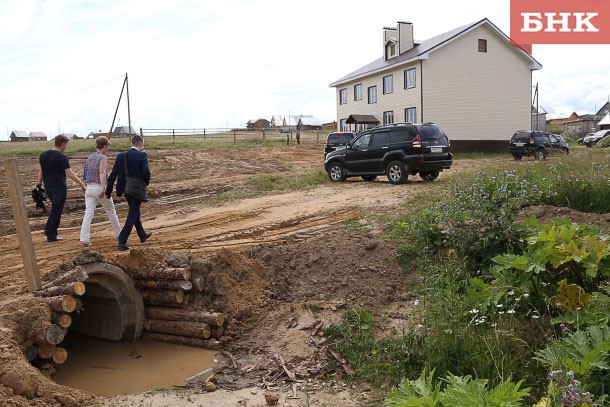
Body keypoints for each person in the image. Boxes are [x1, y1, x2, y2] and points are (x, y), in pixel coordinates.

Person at [105, 135, 152, 251]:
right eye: (142, 145)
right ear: (138, 143)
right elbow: (146, 172)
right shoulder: (142, 155)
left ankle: (142, 235)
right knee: (132, 214)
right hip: (136, 189)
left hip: (125, 189)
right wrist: (145, 183)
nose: (142, 147)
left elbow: (113, 174)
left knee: (134, 211)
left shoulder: (121, 156)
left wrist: (108, 190)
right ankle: (122, 240)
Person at [37, 134, 86, 242]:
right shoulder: (62, 156)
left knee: (55, 208)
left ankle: (50, 230)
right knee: (57, 210)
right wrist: (81, 184)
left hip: (48, 186)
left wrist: (39, 185)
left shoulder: (43, 155)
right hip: (59, 187)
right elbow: (70, 174)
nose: (66, 147)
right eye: (66, 144)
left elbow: (41, 171)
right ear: (63, 144)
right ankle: (51, 233)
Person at [79, 136, 121, 247]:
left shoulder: (90, 157)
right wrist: (104, 188)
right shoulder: (103, 157)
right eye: (107, 147)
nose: (108, 149)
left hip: (89, 188)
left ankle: (84, 238)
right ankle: (120, 235)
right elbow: (102, 172)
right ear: (105, 146)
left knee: (88, 213)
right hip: (98, 187)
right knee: (111, 212)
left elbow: (86, 174)